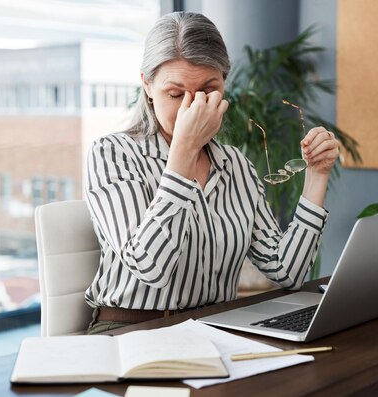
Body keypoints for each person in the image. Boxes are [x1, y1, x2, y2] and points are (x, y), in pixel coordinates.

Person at [84, 12, 340, 334]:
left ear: (224, 84)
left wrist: (316, 177)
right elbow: (149, 267)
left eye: (209, 90)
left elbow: (287, 271)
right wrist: (184, 152)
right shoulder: (112, 154)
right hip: (132, 330)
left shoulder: (236, 165)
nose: (193, 108)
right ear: (147, 86)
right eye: (175, 94)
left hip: (215, 327)